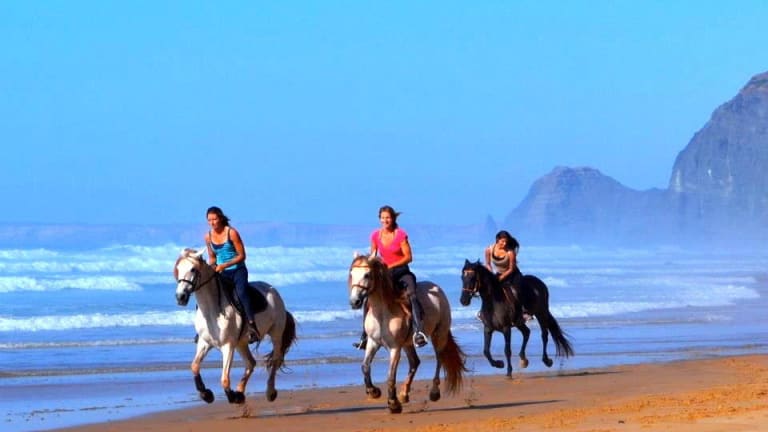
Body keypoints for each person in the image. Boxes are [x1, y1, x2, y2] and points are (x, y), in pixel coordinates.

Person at [353, 205, 428, 350]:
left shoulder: (400, 235)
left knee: (412, 294)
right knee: (368, 297)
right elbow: (373, 256)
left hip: (402, 272)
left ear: (393, 218)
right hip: (386, 274)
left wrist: (391, 265)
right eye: (382, 218)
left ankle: (418, 332)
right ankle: (365, 336)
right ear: (379, 219)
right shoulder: (375, 235)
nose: (385, 220)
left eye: (387, 217)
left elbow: (408, 257)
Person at [204, 206, 259, 343]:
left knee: (241, 293)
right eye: (209, 220)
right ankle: (203, 329)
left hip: (237, 270)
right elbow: (212, 257)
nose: (212, 222)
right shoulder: (208, 236)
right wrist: (211, 267)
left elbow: (242, 256)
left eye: (214, 219)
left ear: (221, 218)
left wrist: (224, 265)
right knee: (206, 293)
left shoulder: (232, 233)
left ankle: (252, 326)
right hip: (221, 272)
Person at [484, 230, 531, 322]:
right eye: (502, 241)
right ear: (497, 240)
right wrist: (491, 273)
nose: (504, 244)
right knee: (488, 288)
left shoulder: (510, 252)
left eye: (506, 242)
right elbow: (488, 264)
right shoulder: (489, 249)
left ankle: (523, 311)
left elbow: (511, 269)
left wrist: (501, 277)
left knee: (516, 291)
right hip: (499, 273)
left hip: (513, 274)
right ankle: (486, 310)